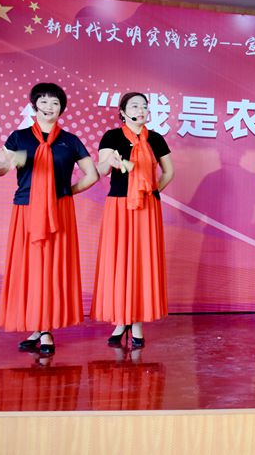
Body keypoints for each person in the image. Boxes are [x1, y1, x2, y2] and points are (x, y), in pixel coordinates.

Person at [0, 83, 98, 354]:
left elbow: (92, 175)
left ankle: (46, 329)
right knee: (30, 269)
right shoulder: (19, 137)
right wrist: (4, 162)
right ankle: (37, 327)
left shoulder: (70, 140)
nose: (49, 107)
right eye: (44, 101)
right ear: (34, 105)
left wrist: (65, 192)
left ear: (61, 108)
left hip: (58, 211)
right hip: (26, 210)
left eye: (55, 102)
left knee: (52, 269)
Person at [90, 92, 175, 348]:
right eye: (134, 106)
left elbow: (169, 172)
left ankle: (137, 323)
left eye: (144, 106)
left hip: (147, 208)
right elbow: (101, 170)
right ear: (123, 112)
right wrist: (111, 161)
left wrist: (151, 191)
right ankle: (121, 320)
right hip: (119, 206)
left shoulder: (156, 139)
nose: (141, 110)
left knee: (142, 262)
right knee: (120, 262)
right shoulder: (112, 137)